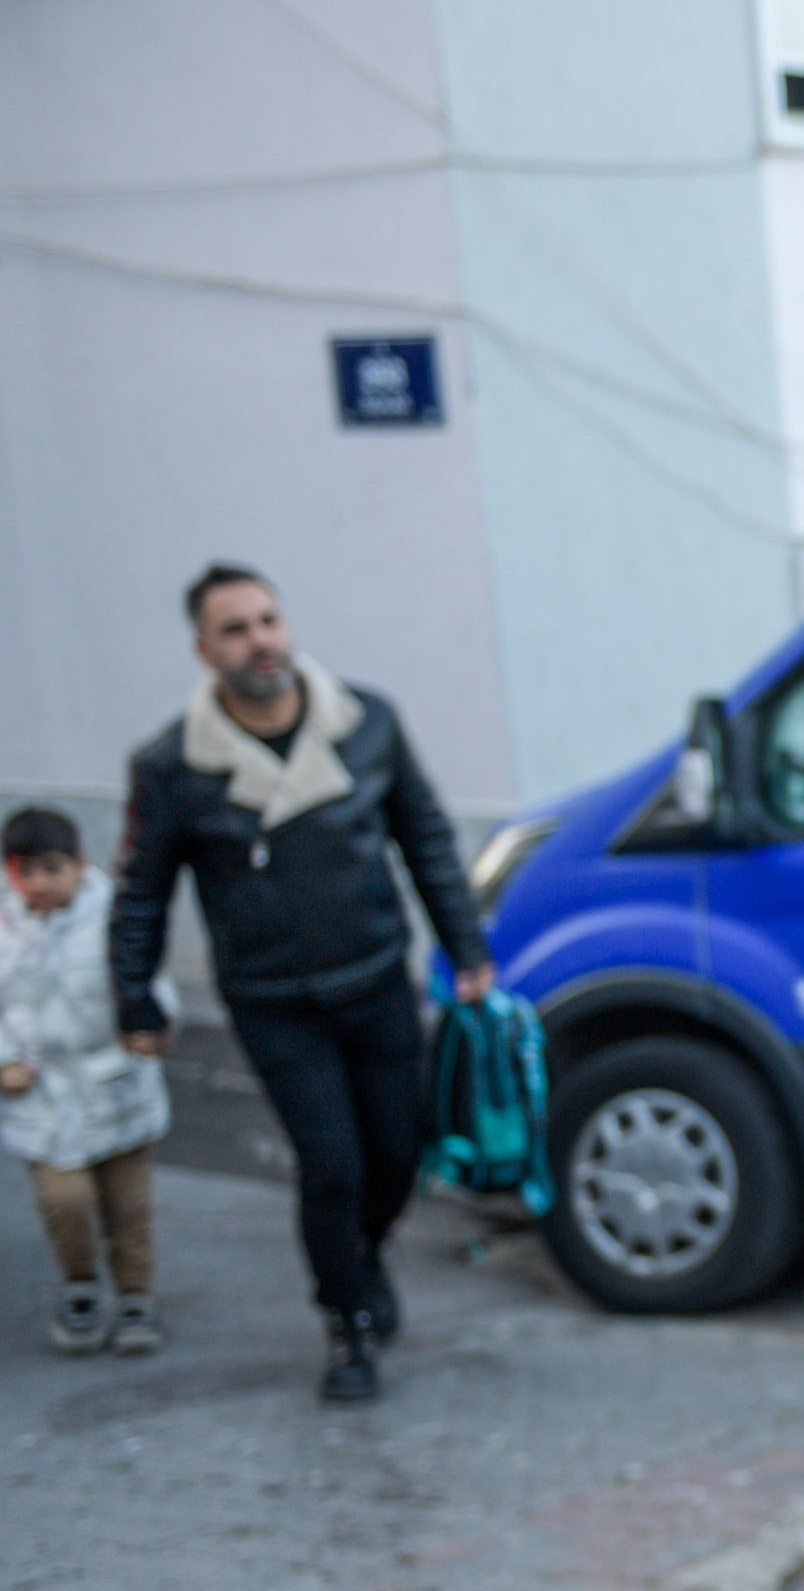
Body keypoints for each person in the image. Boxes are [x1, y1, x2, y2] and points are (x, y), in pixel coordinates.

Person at [110, 565, 493, 1403]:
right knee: (331, 1166)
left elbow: (425, 837)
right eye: (237, 629)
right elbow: (143, 889)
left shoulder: (368, 724)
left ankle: (360, 1254)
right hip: (276, 1003)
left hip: (376, 981)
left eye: (269, 620)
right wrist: (133, 996)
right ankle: (346, 1322)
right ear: (205, 650)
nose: (261, 641)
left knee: (398, 1153)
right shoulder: (173, 767)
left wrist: (465, 945)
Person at [3, 807, 174, 1356]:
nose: (38, 884)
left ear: (80, 866)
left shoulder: (115, 921)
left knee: (129, 1205)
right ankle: (80, 1280)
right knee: (65, 1200)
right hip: (45, 1100)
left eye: (51, 869)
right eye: (23, 871)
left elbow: (148, 985)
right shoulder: (6, 930)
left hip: (114, 1086)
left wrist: (151, 1026)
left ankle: (135, 1295)